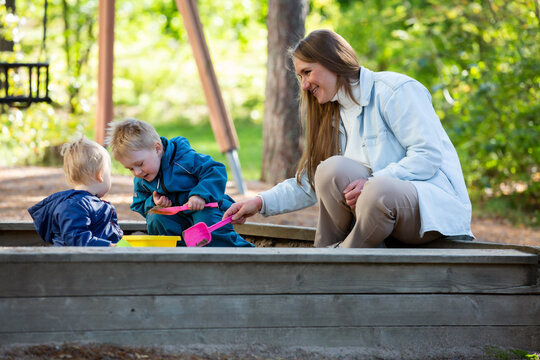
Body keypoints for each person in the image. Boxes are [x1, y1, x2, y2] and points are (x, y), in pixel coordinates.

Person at [224, 29, 474, 248]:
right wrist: (259, 202)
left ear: (332, 61)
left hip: (430, 211)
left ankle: (336, 262)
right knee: (331, 170)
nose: (304, 85)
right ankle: (331, 252)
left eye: (307, 72)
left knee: (377, 190)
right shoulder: (333, 113)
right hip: (379, 216)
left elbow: (427, 156)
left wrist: (374, 181)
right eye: (300, 77)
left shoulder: (395, 91)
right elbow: (312, 182)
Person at [106, 118, 253, 247]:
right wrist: (154, 203)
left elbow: (215, 170)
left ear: (157, 148)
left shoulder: (184, 159)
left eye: (140, 164)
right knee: (157, 218)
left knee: (206, 221)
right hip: (177, 217)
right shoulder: (142, 178)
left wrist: (200, 195)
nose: (137, 172)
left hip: (205, 208)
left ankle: (238, 253)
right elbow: (139, 204)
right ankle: (177, 255)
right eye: (130, 168)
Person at [28, 137, 122, 246]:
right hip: (77, 261)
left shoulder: (84, 203)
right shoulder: (73, 206)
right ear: (100, 175)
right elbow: (76, 239)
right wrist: (109, 246)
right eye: (109, 174)